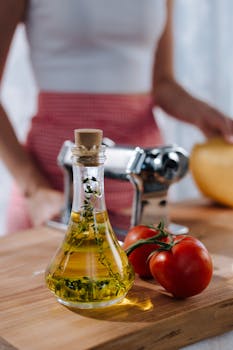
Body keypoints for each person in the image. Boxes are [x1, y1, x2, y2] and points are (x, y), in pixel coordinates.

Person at [1, 0, 233, 234]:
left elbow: (162, 84)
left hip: (141, 188)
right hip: (54, 193)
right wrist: (36, 190)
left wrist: (205, 116)